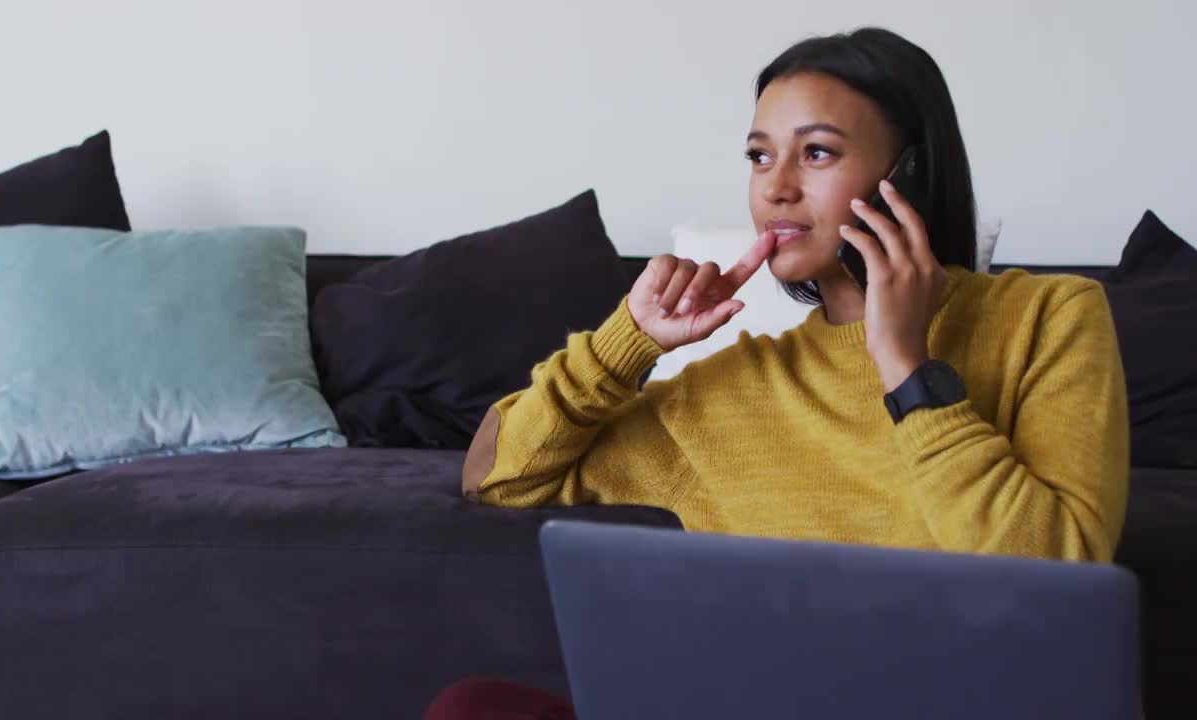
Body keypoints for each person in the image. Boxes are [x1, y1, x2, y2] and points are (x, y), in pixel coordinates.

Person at [427, 26, 1129, 720]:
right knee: (472, 707)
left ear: (908, 174)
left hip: (960, 701)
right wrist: (626, 344)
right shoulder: (733, 387)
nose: (777, 189)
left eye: (816, 152)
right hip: (756, 701)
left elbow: (1055, 579)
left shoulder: (1050, 317)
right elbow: (497, 479)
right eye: (760, 158)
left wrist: (906, 367)